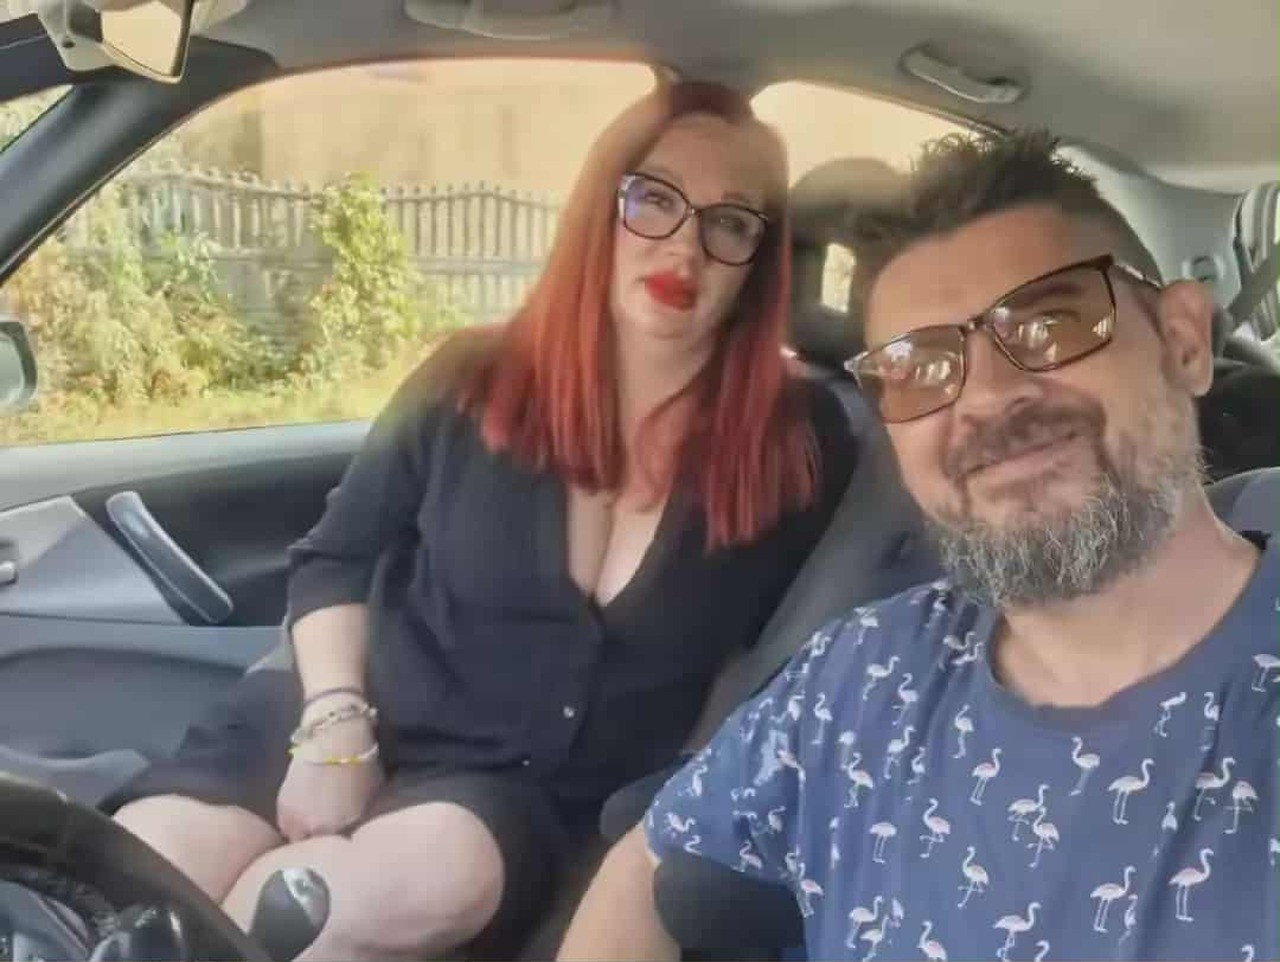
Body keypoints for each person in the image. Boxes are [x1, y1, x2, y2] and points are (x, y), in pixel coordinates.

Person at [108, 82, 858, 961]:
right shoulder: (471, 376)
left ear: (760, 259)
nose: (684, 246)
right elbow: (336, 557)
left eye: (730, 222)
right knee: (145, 866)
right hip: (335, 713)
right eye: (654, 199)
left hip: (514, 791)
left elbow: (769, 676)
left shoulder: (797, 444)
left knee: (359, 898)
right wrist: (335, 729)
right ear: (600, 207)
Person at [559, 129, 1279, 962]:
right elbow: (647, 860)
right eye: (921, 369)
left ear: (1184, 341)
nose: (987, 398)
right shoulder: (863, 671)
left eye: (1048, 324)